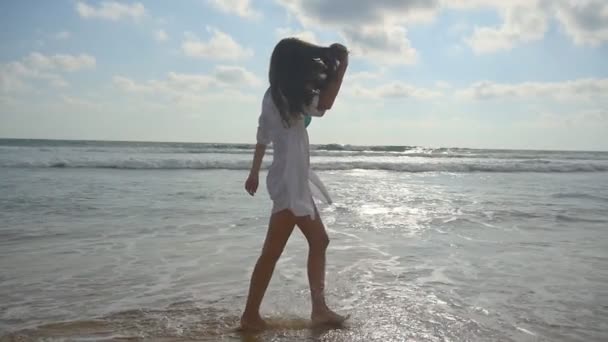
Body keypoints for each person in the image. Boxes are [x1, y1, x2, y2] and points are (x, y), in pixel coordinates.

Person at [240, 38, 349, 331]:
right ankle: (254, 315)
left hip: (292, 181)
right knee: (277, 250)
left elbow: (262, 135)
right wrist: (342, 70)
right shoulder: (287, 96)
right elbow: (325, 104)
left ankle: (316, 309)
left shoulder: (274, 94)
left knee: (313, 242)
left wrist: (254, 173)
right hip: (290, 183)